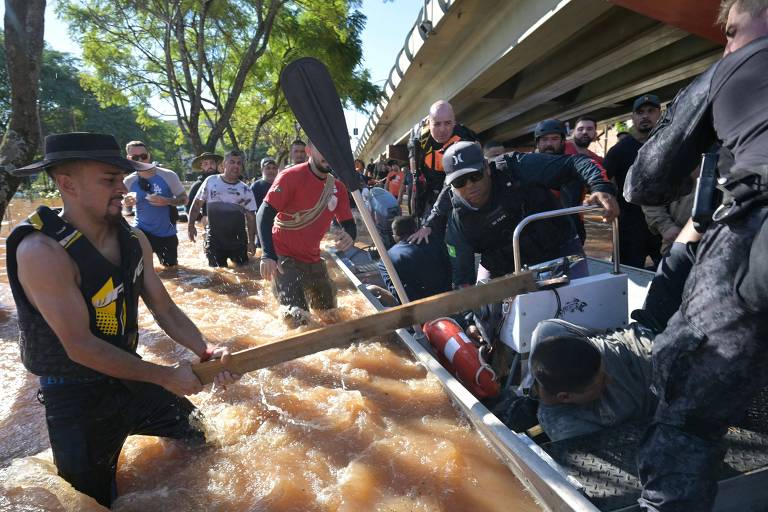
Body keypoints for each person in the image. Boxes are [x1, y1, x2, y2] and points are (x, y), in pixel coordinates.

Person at [5, 132, 238, 507]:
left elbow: (164, 308)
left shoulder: (134, 239)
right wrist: (166, 376)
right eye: (109, 179)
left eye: (122, 178)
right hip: (74, 395)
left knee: (200, 436)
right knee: (90, 501)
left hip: (130, 377)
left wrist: (205, 349)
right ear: (67, 184)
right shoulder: (41, 251)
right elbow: (79, 346)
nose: (123, 188)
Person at [622, 2, 768, 509]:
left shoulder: (732, 68)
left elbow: (643, 182)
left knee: (685, 412)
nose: (726, 45)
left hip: (756, 233)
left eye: (730, 31)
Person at [530, 220, 700, 442]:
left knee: (677, 257)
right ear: (566, 397)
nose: (609, 378)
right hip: (677, 378)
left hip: (649, 326)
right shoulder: (570, 429)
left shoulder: (548, 335)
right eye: (600, 381)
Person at [411, 141, 618, 286]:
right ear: (451, 186)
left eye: (475, 176)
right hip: (501, 264)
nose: (470, 186)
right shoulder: (455, 216)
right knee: (481, 312)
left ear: (487, 167)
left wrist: (601, 187)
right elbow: (462, 276)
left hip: (559, 247)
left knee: (582, 304)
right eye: (459, 182)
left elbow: (574, 163)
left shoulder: (517, 167)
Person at [257, 140, 356, 327]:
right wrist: (268, 255)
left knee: (331, 315)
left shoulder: (339, 188)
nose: (328, 154)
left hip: (313, 259)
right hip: (284, 257)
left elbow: (348, 223)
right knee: (297, 319)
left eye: (331, 150)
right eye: (322, 149)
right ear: (309, 151)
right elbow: (264, 213)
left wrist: (350, 236)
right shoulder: (290, 176)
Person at [604, 94, 663, 269]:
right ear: (633, 118)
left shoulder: (669, 143)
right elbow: (601, 178)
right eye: (640, 112)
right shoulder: (620, 150)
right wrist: (608, 198)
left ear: (660, 114)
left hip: (664, 224)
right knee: (626, 276)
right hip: (630, 225)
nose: (645, 116)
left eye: (651, 111)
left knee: (673, 274)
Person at [122, 141, 187, 267]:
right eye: (135, 158)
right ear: (128, 159)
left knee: (172, 272)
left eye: (143, 156)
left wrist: (167, 201)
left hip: (167, 233)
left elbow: (184, 199)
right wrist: (126, 203)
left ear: (149, 155)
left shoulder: (168, 175)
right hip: (141, 231)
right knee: (142, 271)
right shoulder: (128, 181)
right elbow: (126, 210)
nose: (140, 160)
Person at [188, 150, 257, 267]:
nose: (236, 166)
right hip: (215, 239)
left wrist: (251, 242)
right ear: (224, 164)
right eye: (232, 162)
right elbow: (196, 204)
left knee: (244, 272)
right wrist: (190, 225)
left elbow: (251, 218)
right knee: (217, 276)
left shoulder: (245, 189)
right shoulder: (211, 181)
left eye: (239, 163)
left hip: (238, 240)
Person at [411, 100, 478, 219]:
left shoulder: (464, 141)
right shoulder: (420, 138)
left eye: (447, 123)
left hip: (457, 190)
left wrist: (433, 217)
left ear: (454, 122)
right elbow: (416, 176)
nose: (442, 130)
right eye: (437, 124)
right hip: (431, 188)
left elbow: (452, 186)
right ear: (429, 123)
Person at [377, 216, 452, 303]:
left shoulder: (386, 259)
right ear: (416, 230)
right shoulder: (438, 243)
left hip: (417, 308)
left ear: (394, 237)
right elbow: (450, 269)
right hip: (447, 300)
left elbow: (396, 292)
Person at [186, 151, 223, 222]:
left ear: (216, 164)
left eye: (212, 163)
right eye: (206, 164)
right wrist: (201, 218)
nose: (210, 166)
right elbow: (188, 208)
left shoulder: (225, 180)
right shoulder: (198, 185)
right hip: (209, 222)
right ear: (201, 166)